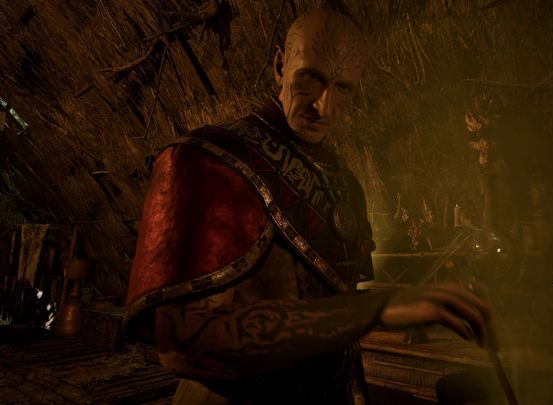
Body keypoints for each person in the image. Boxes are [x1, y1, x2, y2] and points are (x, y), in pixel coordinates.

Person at [123, 8, 497, 404]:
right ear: (280, 65)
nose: (324, 106)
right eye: (310, 78)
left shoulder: (345, 184)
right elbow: (185, 342)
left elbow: (339, 338)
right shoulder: (208, 159)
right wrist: (375, 309)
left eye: (343, 87)